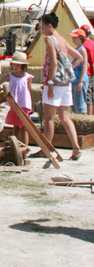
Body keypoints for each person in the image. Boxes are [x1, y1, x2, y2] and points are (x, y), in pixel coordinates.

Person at [39, 13, 82, 160]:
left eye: (42, 26)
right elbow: (79, 57)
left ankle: (46, 149)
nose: (41, 29)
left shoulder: (49, 39)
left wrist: (50, 82)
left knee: (49, 117)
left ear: (49, 26)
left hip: (54, 83)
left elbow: (54, 62)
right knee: (64, 116)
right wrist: (68, 69)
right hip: (65, 83)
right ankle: (76, 148)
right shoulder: (63, 40)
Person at [1, 51, 33, 146]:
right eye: (14, 64)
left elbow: (30, 91)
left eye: (18, 65)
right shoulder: (9, 76)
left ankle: (25, 147)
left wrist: (33, 104)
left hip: (25, 104)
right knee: (16, 127)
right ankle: (16, 146)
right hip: (14, 104)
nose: (15, 67)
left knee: (24, 127)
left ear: (23, 66)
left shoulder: (27, 77)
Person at [69, 29, 88, 114]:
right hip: (74, 78)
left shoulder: (82, 50)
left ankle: (82, 116)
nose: (73, 39)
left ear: (81, 38)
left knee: (80, 102)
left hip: (79, 79)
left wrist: (80, 81)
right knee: (74, 102)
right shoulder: (75, 49)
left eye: (75, 37)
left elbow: (84, 66)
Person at [82, 24, 94, 115]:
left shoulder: (84, 46)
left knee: (87, 95)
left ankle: (89, 116)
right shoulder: (92, 43)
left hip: (88, 72)